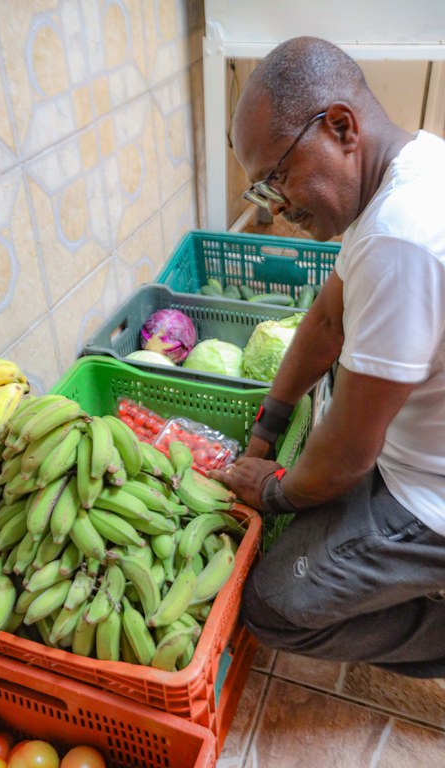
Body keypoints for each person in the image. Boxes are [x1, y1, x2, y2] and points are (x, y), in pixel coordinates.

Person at [208, 36, 445, 677]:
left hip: (430, 496)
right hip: (411, 454)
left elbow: (346, 456)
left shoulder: (403, 237)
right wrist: (269, 429)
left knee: (274, 605)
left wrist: (277, 491)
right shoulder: (407, 168)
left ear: (341, 127)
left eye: (276, 177)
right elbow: (324, 320)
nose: (277, 208)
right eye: (264, 190)